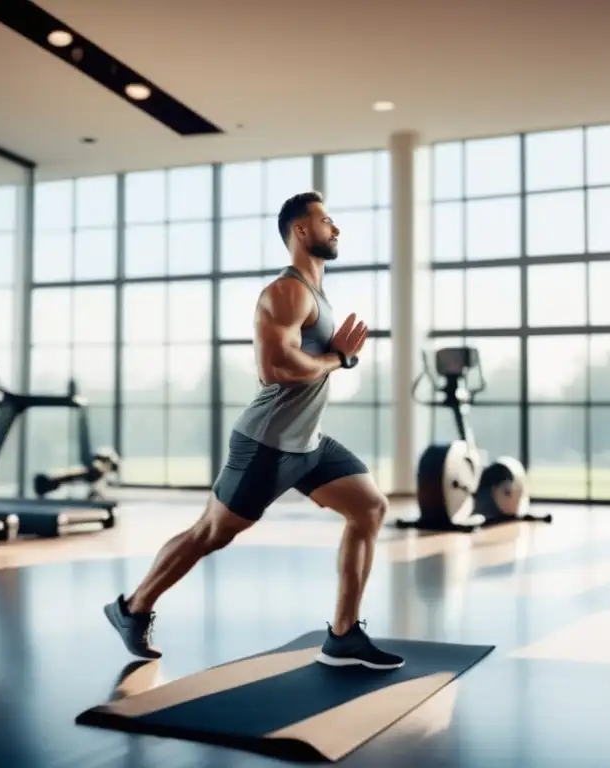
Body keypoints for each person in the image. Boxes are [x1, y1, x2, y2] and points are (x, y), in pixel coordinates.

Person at [104, 191, 404, 671]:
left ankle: (344, 635)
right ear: (301, 231)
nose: (336, 229)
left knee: (369, 508)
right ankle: (132, 608)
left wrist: (334, 361)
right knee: (210, 534)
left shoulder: (316, 294)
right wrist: (338, 359)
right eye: (326, 221)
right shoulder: (287, 292)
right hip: (266, 443)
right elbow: (276, 368)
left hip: (308, 442)